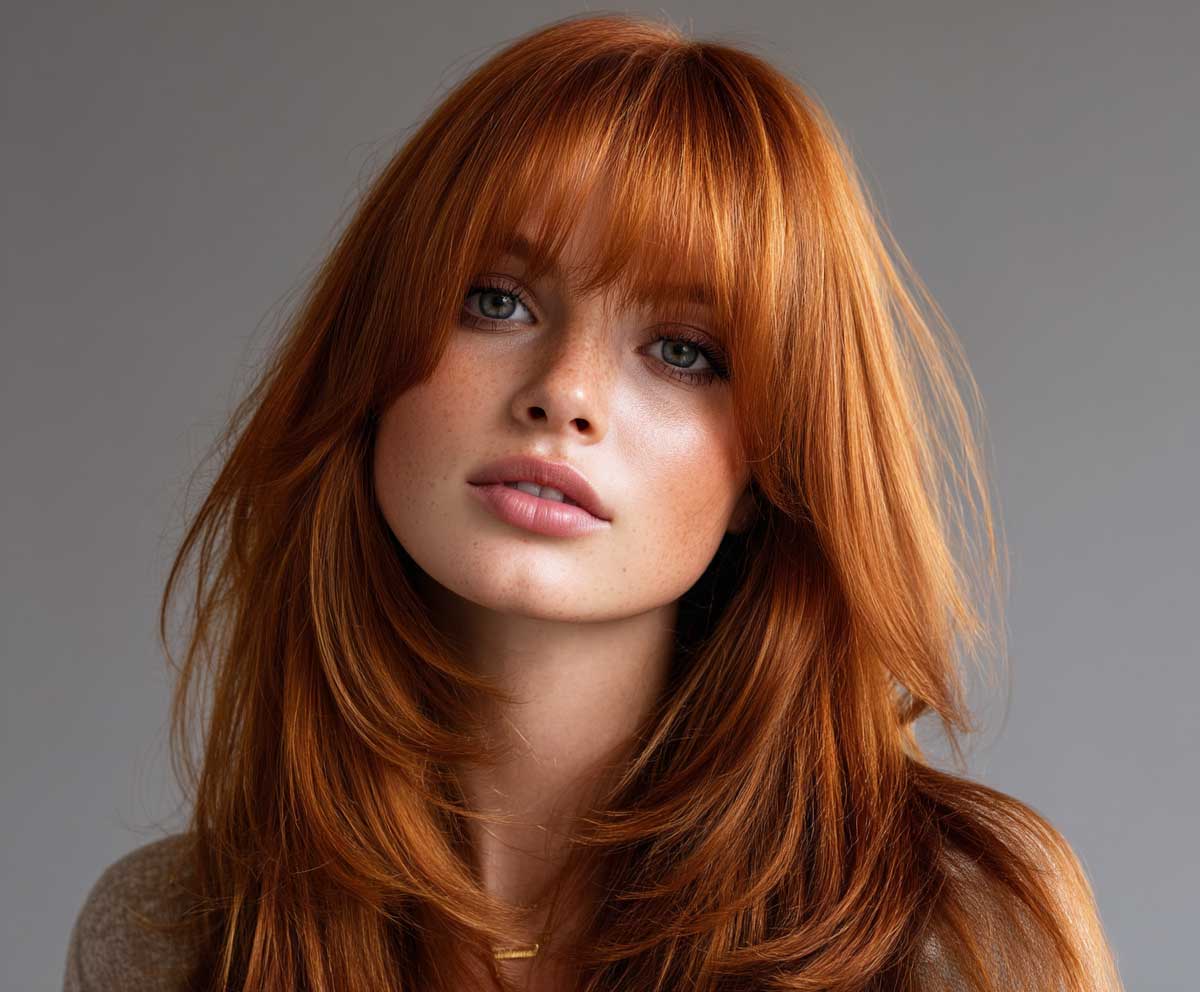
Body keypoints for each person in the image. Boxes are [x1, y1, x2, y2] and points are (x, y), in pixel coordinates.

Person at [62, 12, 1123, 992]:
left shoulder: (961, 922)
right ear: (370, 356)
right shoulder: (168, 936)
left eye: (683, 350)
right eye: (496, 299)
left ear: (771, 470)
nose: (563, 392)